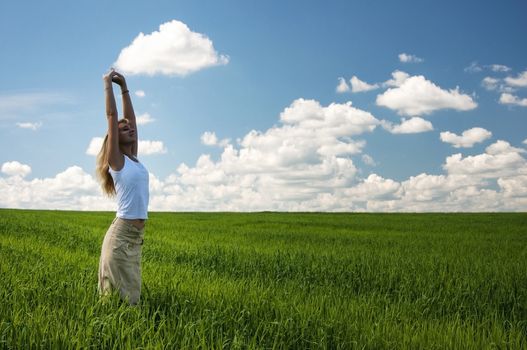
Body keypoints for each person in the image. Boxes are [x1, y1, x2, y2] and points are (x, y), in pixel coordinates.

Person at [96, 69, 149, 305]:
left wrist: (125, 87)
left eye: (130, 128)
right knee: (118, 301)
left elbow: (132, 119)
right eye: (123, 128)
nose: (130, 128)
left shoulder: (133, 159)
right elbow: (111, 114)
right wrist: (108, 84)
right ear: (114, 137)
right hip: (121, 235)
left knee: (131, 297)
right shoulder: (116, 161)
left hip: (135, 237)